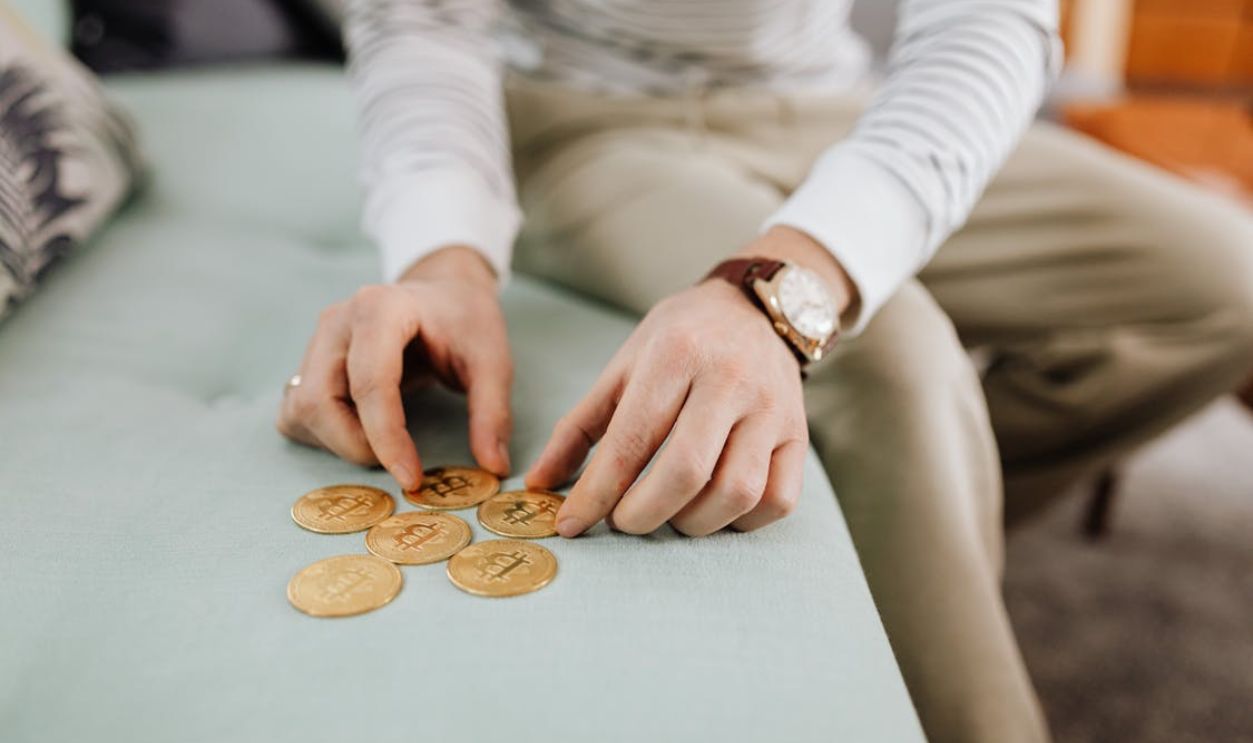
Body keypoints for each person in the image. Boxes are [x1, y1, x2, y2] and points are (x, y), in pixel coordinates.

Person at [275, 1, 1253, 741]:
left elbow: (989, 18)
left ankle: (902, 531)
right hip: (584, 122)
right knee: (895, 364)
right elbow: (418, 15)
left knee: (1228, 280)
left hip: (839, 105)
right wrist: (443, 255)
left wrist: (788, 276)